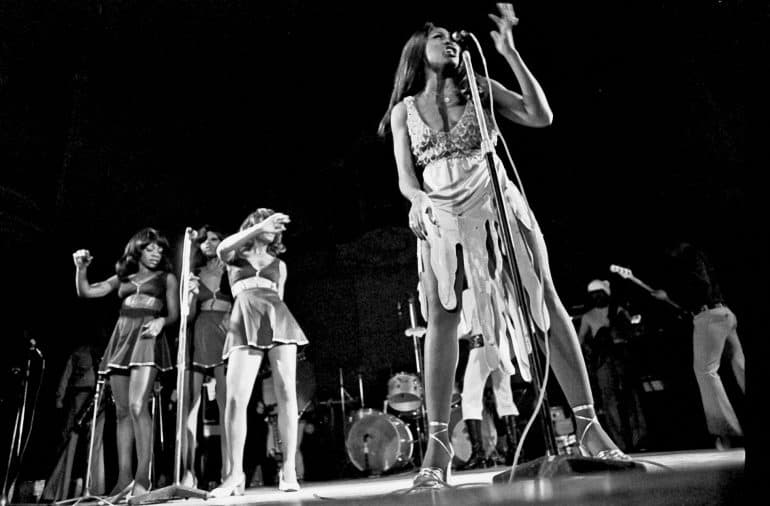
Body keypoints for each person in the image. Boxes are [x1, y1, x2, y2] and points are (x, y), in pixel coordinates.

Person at [379, 2, 627, 488]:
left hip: (496, 204)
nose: (451, 40)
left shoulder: (481, 89)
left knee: (542, 300)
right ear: (417, 50)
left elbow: (541, 115)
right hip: (442, 213)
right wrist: (417, 202)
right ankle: (438, 446)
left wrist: (509, 52)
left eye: (454, 36)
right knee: (442, 316)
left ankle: (588, 423)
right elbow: (406, 178)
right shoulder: (404, 111)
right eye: (439, 36)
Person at [207, 209, 309, 497]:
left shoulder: (280, 264)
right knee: (237, 398)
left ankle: (288, 469)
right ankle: (234, 474)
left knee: (287, 391)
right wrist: (259, 227)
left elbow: (281, 297)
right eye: (268, 222)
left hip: (277, 317)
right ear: (253, 224)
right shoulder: (234, 257)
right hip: (244, 316)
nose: (273, 228)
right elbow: (222, 247)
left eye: (276, 225)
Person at [72, 228, 178, 498]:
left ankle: (143, 479)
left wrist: (161, 321)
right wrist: (81, 268)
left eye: (160, 250)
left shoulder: (166, 277)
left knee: (137, 405)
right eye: (150, 248)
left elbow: (175, 314)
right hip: (122, 341)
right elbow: (86, 292)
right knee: (121, 412)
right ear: (138, 249)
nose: (156, 254)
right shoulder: (122, 278)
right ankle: (124, 479)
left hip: (147, 337)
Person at [651, 241, 745, 450]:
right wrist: (668, 299)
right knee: (740, 369)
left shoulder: (689, 256)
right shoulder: (698, 254)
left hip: (710, 318)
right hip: (724, 314)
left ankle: (726, 432)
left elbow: (700, 288)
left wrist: (670, 296)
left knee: (705, 372)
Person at [181, 225, 233, 488]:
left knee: (228, 407)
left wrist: (231, 320)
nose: (210, 243)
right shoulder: (194, 273)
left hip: (227, 331)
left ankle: (229, 470)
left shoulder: (233, 267)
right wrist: (189, 296)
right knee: (189, 407)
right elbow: (188, 316)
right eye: (205, 240)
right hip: (199, 331)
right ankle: (188, 471)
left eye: (216, 238)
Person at [578, 280, 647, 452]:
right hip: (604, 361)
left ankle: (639, 438)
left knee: (631, 397)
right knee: (610, 401)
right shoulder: (588, 316)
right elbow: (580, 342)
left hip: (622, 357)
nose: (596, 297)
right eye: (593, 294)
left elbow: (633, 331)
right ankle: (619, 442)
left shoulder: (618, 310)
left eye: (599, 293)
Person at [457, 289, 519, 469]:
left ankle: (479, 454)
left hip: (480, 347)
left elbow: (464, 328)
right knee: (505, 398)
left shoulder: (469, 294)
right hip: (502, 346)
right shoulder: (497, 287)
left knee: (470, 399)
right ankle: (514, 451)